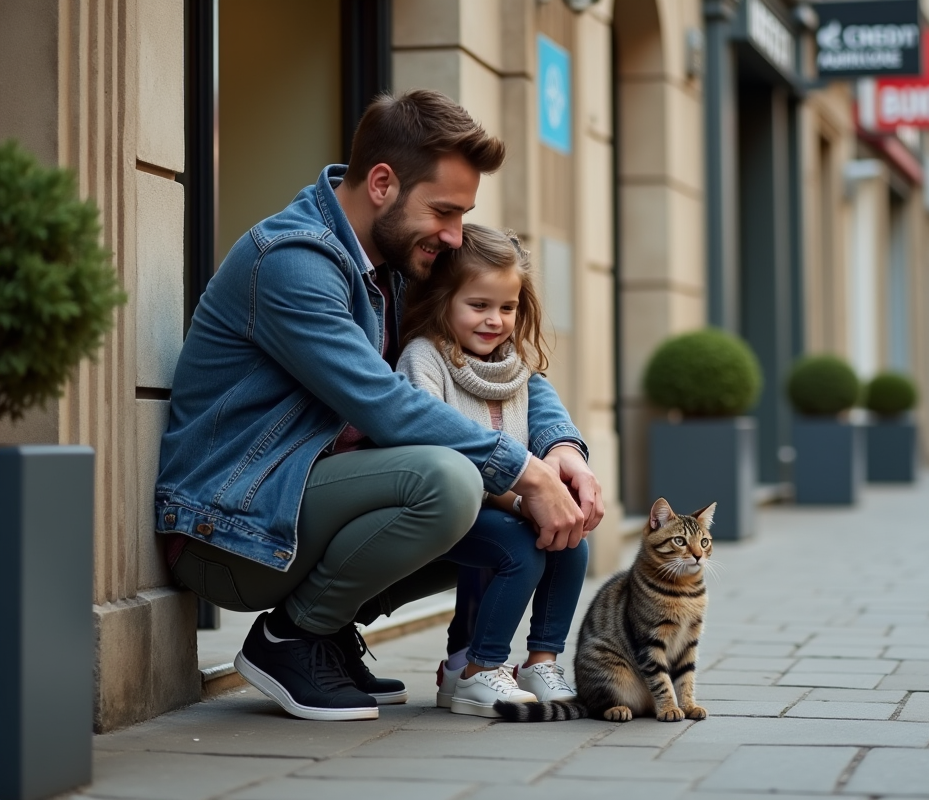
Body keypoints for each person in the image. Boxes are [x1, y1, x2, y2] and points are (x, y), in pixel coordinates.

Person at [155, 90, 604, 722]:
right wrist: (526, 473)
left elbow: (504, 366)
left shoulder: (399, 261)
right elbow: (384, 405)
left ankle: (330, 630)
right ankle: (291, 638)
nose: (454, 236)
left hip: (302, 510)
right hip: (231, 534)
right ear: (383, 184)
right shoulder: (292, 260)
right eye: (443, 211)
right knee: (449, 481)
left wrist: (561, 448)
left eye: (463, 215)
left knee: (506, 529)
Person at [397, 224, 588, 716]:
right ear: (442, 300)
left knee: (571, 543)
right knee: (518, 548)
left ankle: (541, 663)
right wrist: (524, 501)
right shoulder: (424, 359)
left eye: (507, 307)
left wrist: (560, 484)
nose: (495, 320)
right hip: (438, 505)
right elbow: (428, 447)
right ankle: (479, 669)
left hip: (502, 504)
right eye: (478, 305)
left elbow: (545, 422)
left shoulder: (513, 365)